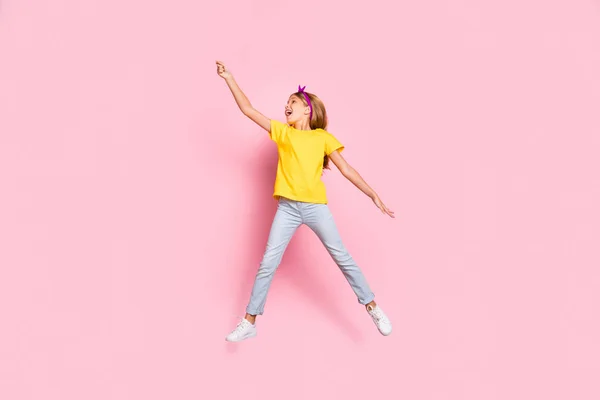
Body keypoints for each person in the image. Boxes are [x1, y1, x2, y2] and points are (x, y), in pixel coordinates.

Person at [216, 61, 395, 342]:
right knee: (268, 263)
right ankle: (250, 321)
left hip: (315, 209)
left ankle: (372, 306)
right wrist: (229, 79)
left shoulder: (322, 137)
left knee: (342, 257)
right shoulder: (283, 132)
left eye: (293, 102)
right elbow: (248, 109)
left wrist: (372, 193)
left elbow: (346, 169)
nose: (286, 106)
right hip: (287, 208)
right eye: (286, 102)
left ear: (306, 109)